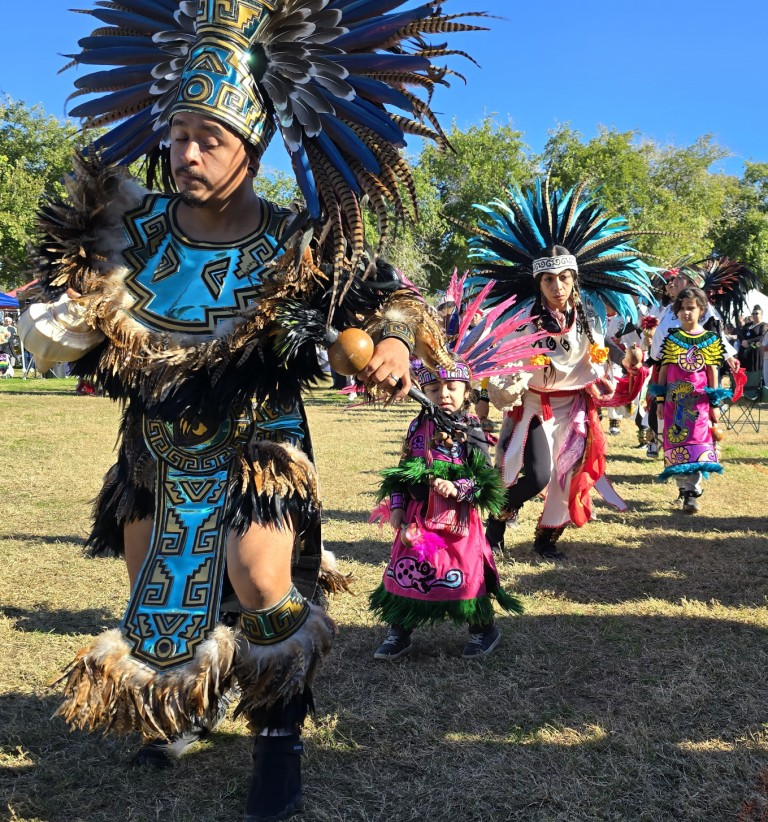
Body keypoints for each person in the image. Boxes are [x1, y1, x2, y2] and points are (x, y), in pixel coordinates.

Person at [18, 2, 485, 820]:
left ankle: (278, 740)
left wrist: (394, 347)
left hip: (261, 437)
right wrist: (62, 316)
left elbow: (391, 305)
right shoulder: (129, 225)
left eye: (211, 139)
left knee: (258, 576)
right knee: (156, 596)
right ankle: (183, 707)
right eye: (179, 133)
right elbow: (58, 310)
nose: (187, 152)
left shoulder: (300, 238)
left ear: (252, 148)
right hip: (153, 442)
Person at [462, 179, 656, 560]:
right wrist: (511, 377)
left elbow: (598, 362)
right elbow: (501, 366)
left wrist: (620, 366)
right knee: (534, 475)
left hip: (575, 409)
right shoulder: (523, 324)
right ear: (538, 283)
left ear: (574, 280)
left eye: (563, 278)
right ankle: (495, 523)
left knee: (566, 477)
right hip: (536, 407)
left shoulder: (587, 322)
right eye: (548, 280)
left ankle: (545, 539)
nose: (557, 286)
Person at [369, 357, 522, 659]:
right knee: (407, 570)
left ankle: (482, 629)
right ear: (422, 390)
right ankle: (399, 630)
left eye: (453, 387)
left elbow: (486, 480)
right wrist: (397, 505)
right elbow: (402, 470)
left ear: (467, 392)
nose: (444, 394)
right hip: (416, 518)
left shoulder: (472, 428)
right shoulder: (417, 425)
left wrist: (458, 487)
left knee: (464, 574)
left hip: (459, 521)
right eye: (435, 388)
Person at [652, 287, 729, 514]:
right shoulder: (672, 339)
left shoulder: (709, 339)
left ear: (701, 310)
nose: (686, 313)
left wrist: (714, 404)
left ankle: (693, 492)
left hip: (699, 405)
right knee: (676, 445)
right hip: (674, 404)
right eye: (682, 309)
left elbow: (712, 372)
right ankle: (683, 489)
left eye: (691, 308)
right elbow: (663, 371)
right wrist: (659, 400)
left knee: (697, 445)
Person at [737, 306, 767, 373]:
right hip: (744, 350)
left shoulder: (764, 325)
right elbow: (740, 334)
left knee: (754, 372)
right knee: (743, 370)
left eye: (757, 313)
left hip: (755, 350)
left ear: (761, 314)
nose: (754, 315)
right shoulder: (748, 325)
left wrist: (748, 341)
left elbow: (761, 337)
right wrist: (743, 341)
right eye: (753, 314)